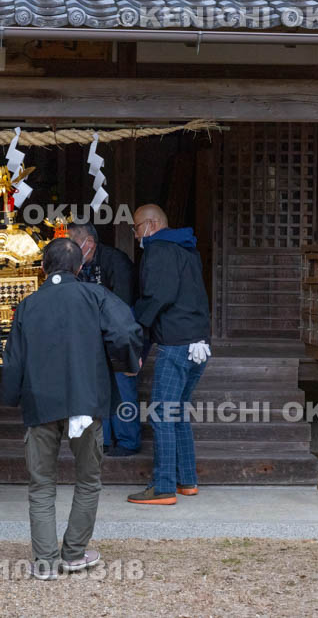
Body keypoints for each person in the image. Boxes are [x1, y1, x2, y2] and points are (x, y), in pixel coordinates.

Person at [2, 238, 143, 580]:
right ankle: (74, 553)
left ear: (42, 268)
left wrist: (12, 397)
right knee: (88, 480)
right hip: (85, 400)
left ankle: (46, 562)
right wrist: (128, 363)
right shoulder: (95, 296)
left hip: (41, 401)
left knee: (41, 484)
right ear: (80, 268)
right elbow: (125, 330)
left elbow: (14, 359)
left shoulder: (28, 305)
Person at [127, 204, 211, 506]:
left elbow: (157, 297)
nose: (136, 235)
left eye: (136, 228)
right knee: (177, 414)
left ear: (150, 225)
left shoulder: (158, 249)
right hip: (198, 343)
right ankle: (186, 480)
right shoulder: (186, 249)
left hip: (176, 343)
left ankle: (162, 487)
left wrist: (134, 329)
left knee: (162, 414)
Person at [67, 221, 141, 456]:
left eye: (73, 246)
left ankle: (128, 441)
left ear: (88, 243)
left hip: (118, 333)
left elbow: (123, 308)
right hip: (91, 335)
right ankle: (105, 439)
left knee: (123, 386)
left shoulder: (115, 261)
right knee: (99, 387)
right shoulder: (76, 267)